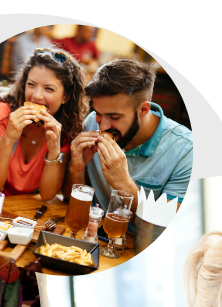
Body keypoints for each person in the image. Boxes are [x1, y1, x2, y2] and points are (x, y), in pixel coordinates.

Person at [69, 59, 192, 215]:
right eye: (99, 113)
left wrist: (124, 184)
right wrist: (77, 169)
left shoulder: (186, 152)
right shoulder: (92, 121)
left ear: (143, 109)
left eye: (114, 117)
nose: (102, 126)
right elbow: (70, 201)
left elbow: (163, 230)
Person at [0, 48, 89, 201]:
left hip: (27, 210)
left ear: (66, 96)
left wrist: (53, 151)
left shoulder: (66, 129)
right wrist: (9, 138)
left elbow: (47, 195)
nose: (36, 96)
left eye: (49, 88)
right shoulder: (3, 115)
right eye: (31, 85)